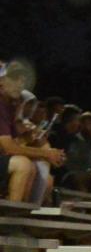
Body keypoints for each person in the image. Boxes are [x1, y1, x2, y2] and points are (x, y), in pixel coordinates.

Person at [1, 62, 63, 204]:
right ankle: (10, 220)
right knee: (23, 164)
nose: (20, 84)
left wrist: (52, 154)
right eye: (15, 79)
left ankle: (23, 216)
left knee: (39, 169)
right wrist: (47, 154)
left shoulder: (9, 107)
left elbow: (15, 143)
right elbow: (8, 148)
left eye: (23, 80)